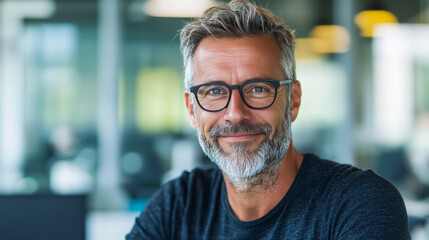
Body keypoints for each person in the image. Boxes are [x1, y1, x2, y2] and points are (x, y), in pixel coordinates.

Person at [127, 0, 411, 239]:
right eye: (214, 91)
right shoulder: (179, 205)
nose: (235, 113)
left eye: (258, 89)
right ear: (192, 109)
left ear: (293, 100)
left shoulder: (358, 203)